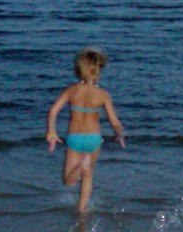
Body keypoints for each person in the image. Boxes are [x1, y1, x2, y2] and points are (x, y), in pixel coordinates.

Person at [46, 47, 125, 212]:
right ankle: (82, 210)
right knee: (88, 175)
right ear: (98, 70)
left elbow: (53, 110)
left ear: (79, 69)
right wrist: (120, 133)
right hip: (94, 139)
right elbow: (115, 121)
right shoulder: (102, 94)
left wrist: (52, 132)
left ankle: (82, 164)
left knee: (69, 181)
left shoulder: (72, 90)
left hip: (75, 138)